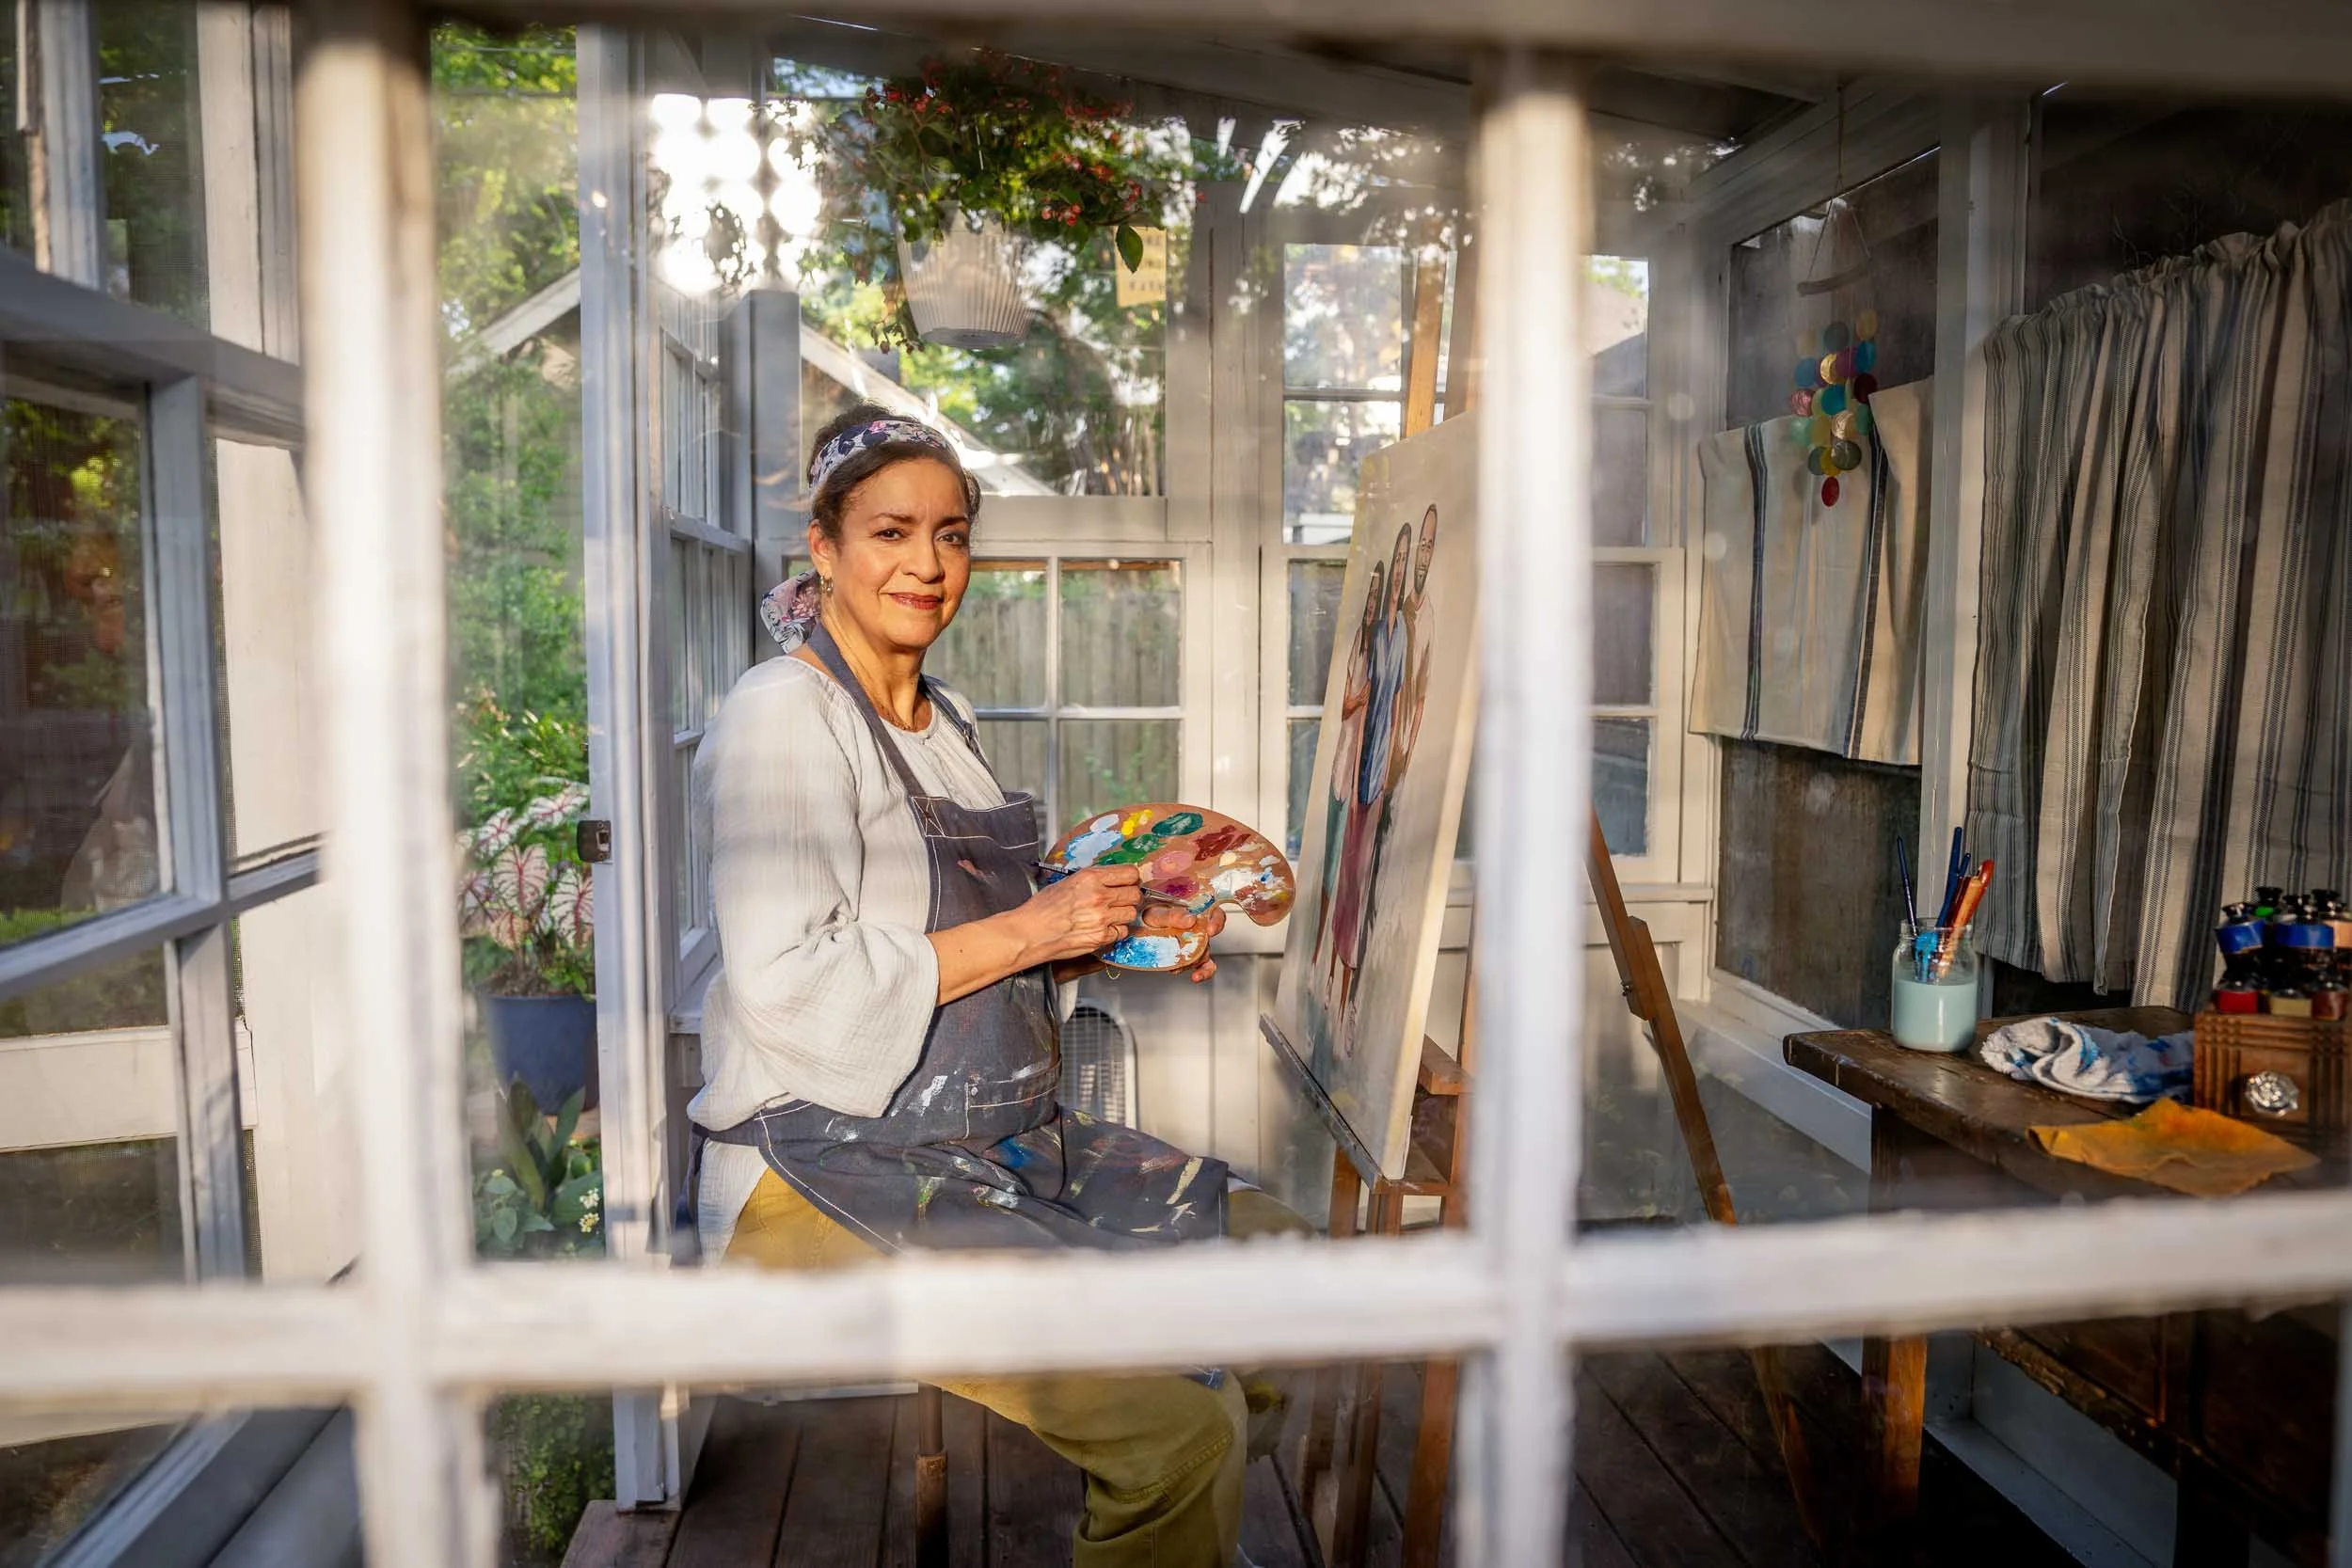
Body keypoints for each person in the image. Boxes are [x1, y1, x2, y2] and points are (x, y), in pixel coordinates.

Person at [687, 404, 1262, 1567]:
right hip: (815, 1168)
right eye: (891, 531)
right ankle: (1182, 1511)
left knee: (1276, 1277)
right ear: (824, 545)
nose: (926, 564)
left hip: (975, 1143)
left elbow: (985, 942)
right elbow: (788, 982)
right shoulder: (781, 719)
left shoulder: (946, 719)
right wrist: (1034, 923)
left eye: (951, 534)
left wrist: (1106, 929)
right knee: (1180, 1427)